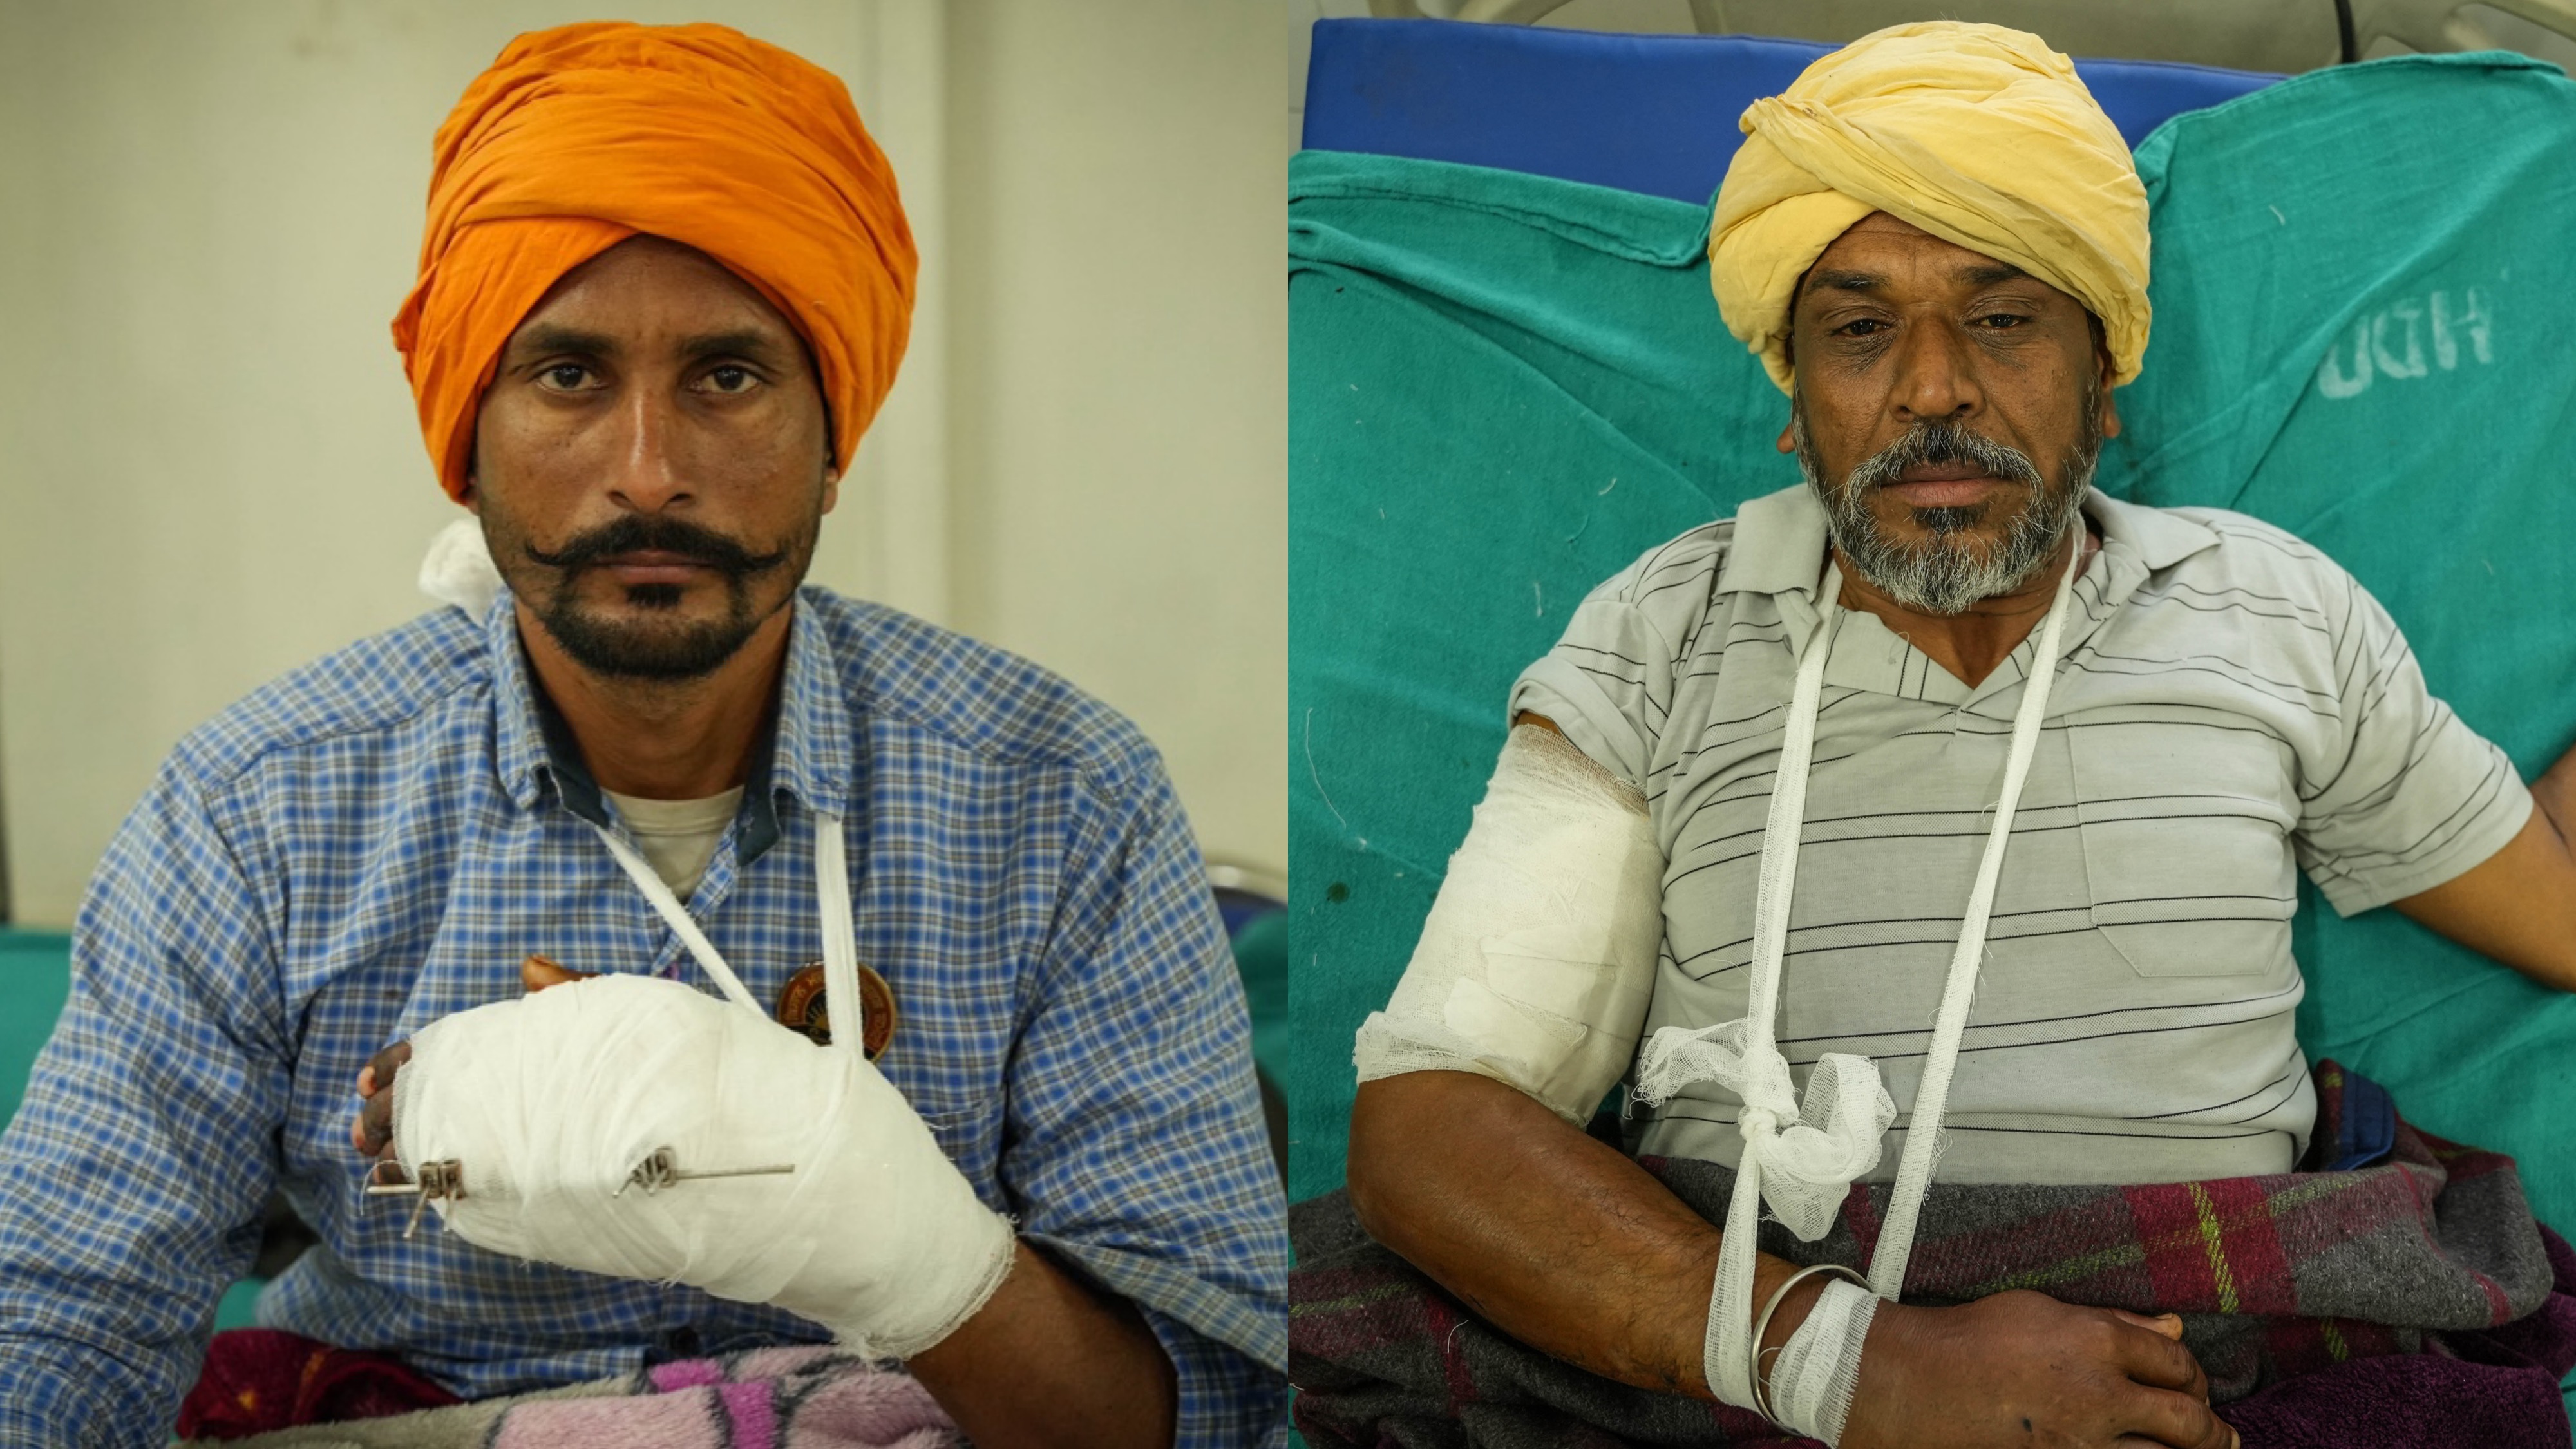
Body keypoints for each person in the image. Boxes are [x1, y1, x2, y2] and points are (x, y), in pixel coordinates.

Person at [0, 22, 1285, 1448]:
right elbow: (64, 1313)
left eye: (728, 377)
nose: (648, 472)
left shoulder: (1061, 803)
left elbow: (1209, 1410)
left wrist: (879, 1227)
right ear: (467, 429)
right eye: (567, 376)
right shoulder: (257, 810)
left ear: (832, 434)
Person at [1338, 21, 2576, 1449]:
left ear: (2103, 376)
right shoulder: (1664, 630)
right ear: (1793, 407)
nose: (1930, 388)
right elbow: (1428, 1126)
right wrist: (1857, 1370)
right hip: (1758, 1364)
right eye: (1858, 330)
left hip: (2207, 1357)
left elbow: (2554, 906)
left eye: (1999, 319)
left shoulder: (2272, 609)